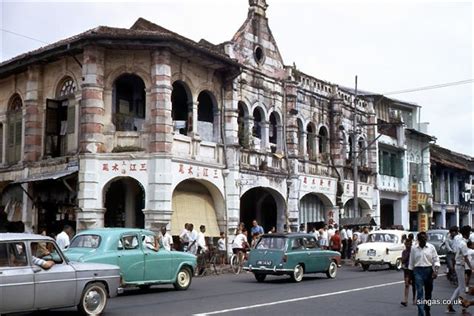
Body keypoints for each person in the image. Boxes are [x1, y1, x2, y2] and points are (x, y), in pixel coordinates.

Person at [408, 231, 440, 316]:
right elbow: (411, 263)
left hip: (429, 271)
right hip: (417, 271)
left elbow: (436, 260)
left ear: (426, 239)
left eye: (424, 238)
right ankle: (421, 313)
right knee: (419, 293)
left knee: (428, 293)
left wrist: (435, 271)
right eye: (421, 238)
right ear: (418, 240)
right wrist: (410, 277)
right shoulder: (414, 248)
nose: (423, 240)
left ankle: (427, 309)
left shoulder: (431, 247)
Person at [447, 225, 473, 314]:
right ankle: (463, 308)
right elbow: (465, 257)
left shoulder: (460, 241)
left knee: (460, 287)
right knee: (462, 288)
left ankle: (450, 304)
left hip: (459, 266)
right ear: (466, 233)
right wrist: (472, 268)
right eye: (469, 232)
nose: (470, 234)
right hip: (460, 266)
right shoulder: (463, 244)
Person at [401, 238, 416, 307]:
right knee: (407, 285)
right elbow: (403, 260)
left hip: (413, 269)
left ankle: (414, 299)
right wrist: (407, 255)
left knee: (414, 285)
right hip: (406, 270)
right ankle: (405, 300)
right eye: (406, 244)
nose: (407, 245)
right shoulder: (404, 252)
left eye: (409, 244)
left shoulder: (414, 251)